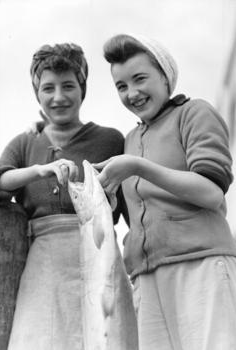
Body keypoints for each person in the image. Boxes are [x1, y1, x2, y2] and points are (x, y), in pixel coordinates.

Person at [0, 43, 127, 350]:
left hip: (99, 256)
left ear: (82, 88)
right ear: (37, 94)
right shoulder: (27, 141)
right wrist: (39, 170)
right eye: (48, 88)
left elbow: (126, 206)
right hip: (45, 263)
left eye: (68, 86)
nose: (58, 97)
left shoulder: (110, 139)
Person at [93, 34, 236, 349]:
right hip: (145, 275)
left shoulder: (195, 113)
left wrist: (138, 167)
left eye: (140, 78)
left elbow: (212, 193)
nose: (132, 93)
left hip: (199, 264)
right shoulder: (130, 140)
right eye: (121, 86)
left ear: (165, 74)